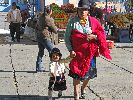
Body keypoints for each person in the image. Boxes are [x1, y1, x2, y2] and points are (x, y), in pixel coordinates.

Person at [64, 0, 112, 100]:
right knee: (75, 74)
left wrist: (94, 37)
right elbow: (67, 38)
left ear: (88, 11)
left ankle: (83, 88)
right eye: (81, 9)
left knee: (88, 75)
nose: (83, 12)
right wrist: (70, 50)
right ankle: (76, 94)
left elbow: (101, 35)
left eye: (85, 9)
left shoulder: (94, 22)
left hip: (90, 54)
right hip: (77, 54)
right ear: (78, 10)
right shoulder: (72, 22)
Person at [35, 5, 58, 72]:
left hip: (39, 36)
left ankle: (38, 68)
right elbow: (55, 30)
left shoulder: (40, 16)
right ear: (50, 11)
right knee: (53, 52)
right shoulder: (48, 19)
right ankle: (54, 68)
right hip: (45, 37)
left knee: (41, 52)